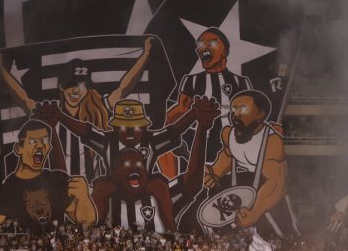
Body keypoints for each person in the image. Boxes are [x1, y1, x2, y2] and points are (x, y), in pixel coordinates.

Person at [34, 97, 217, 231]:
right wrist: (57, 120)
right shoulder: (106, 157)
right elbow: (86, 132)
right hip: (111, 189)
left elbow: (173, 132)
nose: (129, 132)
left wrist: (196, 118)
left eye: (135, 127)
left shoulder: (158, 186)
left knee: (158, 187)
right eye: (124, 126)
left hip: (145, 188)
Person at [0, 37, 155, 180]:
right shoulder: (49, 111)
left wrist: (146, 54)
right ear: (60, 86)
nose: (75, 91)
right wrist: (0, 67)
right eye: (69, 85)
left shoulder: (97, 108)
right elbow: (23, 98)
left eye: (81, 85)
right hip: (57, 190)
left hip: (91, 194)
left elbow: (123, 88)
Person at [0, 119, 96, 237]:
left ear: (48, 148)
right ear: (19, 149)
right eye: (33, 142)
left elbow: (87, 224)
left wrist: (84, 198)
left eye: (45, 141)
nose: (40, 146)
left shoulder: (58, 179)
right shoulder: (10, 188)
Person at [161, 28, 253, 175]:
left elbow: (251, 117)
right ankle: (171, 181)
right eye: (201, 44)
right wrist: (163, 126)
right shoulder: (191, 81)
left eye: (211, 42)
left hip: (231, 147)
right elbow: (178, 111)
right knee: (162, 138)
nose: (204, 46)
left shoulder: (241, 83)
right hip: (197, 145)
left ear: (225, 50)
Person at [202, 90, 293, 236]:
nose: (235, 114)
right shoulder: (228, 133)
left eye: (242, 108)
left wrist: (256, 211)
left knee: (283, 234)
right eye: (234, 109)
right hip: (245, 189)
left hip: (269, 194)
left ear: (260, 114)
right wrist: (215, 172)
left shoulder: (271, 141)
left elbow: (276, 183)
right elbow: (228, 154)